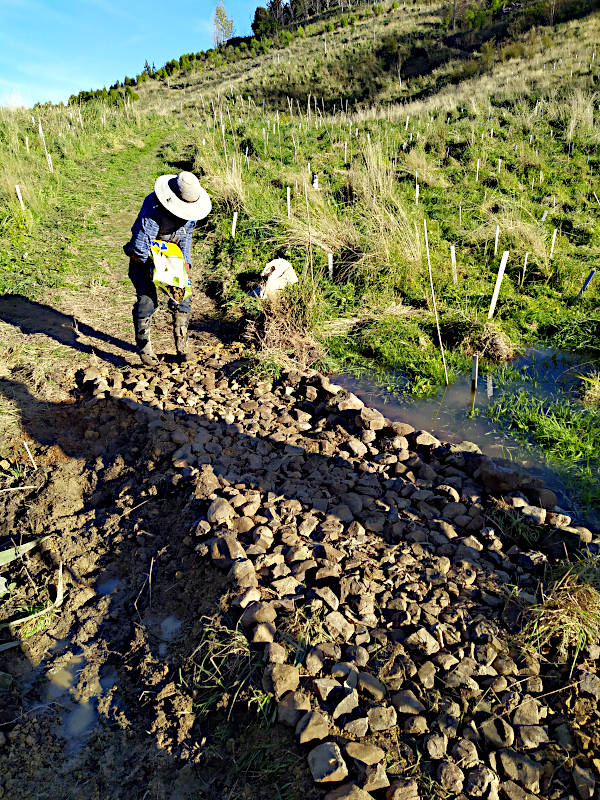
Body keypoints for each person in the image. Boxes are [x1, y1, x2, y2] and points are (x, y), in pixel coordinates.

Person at [123, 171, 211, 365]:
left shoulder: (191, 214)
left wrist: (184, 262)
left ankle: (182, 347)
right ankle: (144, 348)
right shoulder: (154, 210)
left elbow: (186, 237)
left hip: (171, 258)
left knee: (183, 298)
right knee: (147, 301)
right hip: (143, 260)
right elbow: (140, 248)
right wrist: (158, 270)